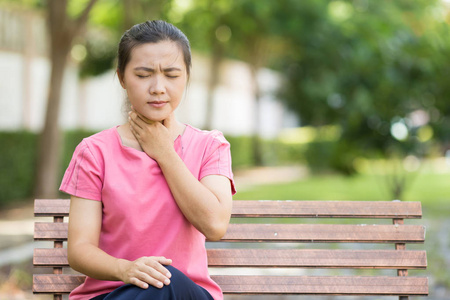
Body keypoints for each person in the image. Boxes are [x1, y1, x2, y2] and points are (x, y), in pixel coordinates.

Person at [60, 20, 236, 300]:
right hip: (114, 294)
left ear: (187, 77)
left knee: (166, 280)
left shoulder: (209, 146)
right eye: (143, 75)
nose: (158, 87)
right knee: (155, 283)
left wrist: (165, 153)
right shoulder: (94, 152)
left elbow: (215, 225)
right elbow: (80, 250)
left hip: (186, 295)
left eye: (171, 74)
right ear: (121, 78)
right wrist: (126, 270)